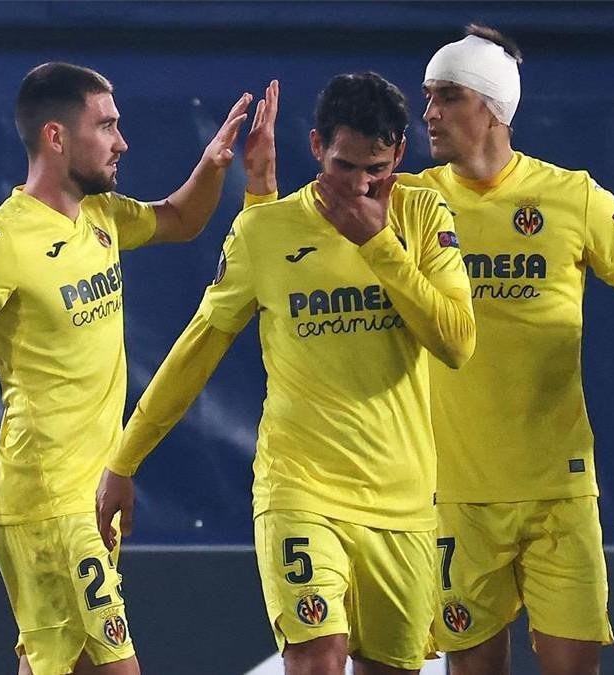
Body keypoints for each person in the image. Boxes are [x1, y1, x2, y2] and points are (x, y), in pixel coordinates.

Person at [0, 62, 275, 675]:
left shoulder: (102, 217)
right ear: (56, 137)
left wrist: (216, 163)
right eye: (107, 125)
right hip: (46, 502)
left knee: (60, 664)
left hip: (90, 496)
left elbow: (181, 219)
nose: (122, 141)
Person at [95, 72, 475, 675]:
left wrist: (381, 246)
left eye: (375, 168)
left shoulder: (424, 215)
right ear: (316, 144)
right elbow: (196, 351)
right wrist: (124, 460)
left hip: (402, 502)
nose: (359, 184)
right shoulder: (266, 231)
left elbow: (456, 343)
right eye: (344, 165)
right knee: (316, 657)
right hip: (301, 488)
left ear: (400, 153)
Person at [394, 25, 614, 675]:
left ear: (491, 107)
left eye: (446, 96)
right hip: (455, 494)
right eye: (426, 98)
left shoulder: (572, 197)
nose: (428, 113)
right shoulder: (411, 202)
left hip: (558, 494)